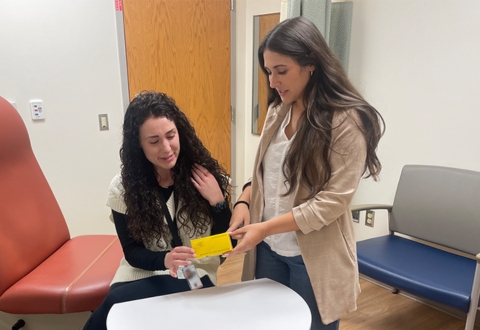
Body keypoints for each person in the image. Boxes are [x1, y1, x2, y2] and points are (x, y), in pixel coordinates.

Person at [227, 17, 385, 330]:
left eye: (281, 71)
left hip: (311, 255)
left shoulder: (346, 121)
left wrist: (266, 227)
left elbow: (332, 202)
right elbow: (264, 172)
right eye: (269, 71)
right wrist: (244, 202)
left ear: (310, 63)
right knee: (269, 323)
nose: (273, 82)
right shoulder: (278, 108)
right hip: (269, 249)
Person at [83, 91, 232, 330]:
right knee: (118, 309)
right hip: (142, 271)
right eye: (154, 141)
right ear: (138, 145)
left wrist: (218, 202)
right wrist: (165, 259)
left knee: (115, 304)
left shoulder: (204, 178)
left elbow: (227, 245)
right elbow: (132, 252)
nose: (166, 148)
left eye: (171, 136)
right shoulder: (123, 188)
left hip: (194, 274)